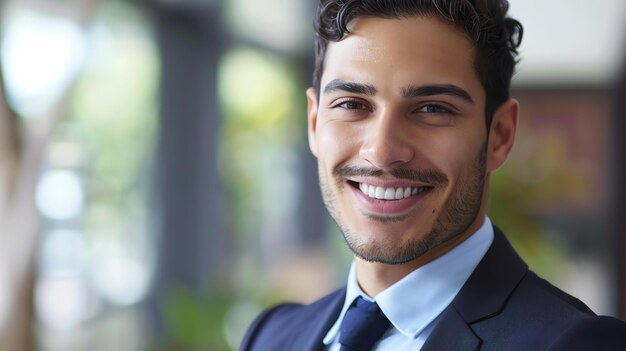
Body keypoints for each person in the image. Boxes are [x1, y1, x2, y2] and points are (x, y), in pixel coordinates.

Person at [240, 0, 626, 350]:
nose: (383, 151)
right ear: (314, 121)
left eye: (432, 109)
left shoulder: (576, 344)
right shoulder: (270, 337)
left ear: (500, 136)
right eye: (352, 104)